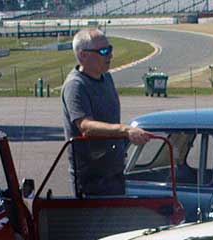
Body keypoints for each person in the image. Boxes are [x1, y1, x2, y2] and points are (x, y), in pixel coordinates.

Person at [62, 28, 151, 196]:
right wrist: (125, 131)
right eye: (103, 51)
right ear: (83, 55)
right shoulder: (75, 85)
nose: (110, 55)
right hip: (91, 180)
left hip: (114, 173)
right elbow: (85, 126)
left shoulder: (106, 78)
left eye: (110, 49)